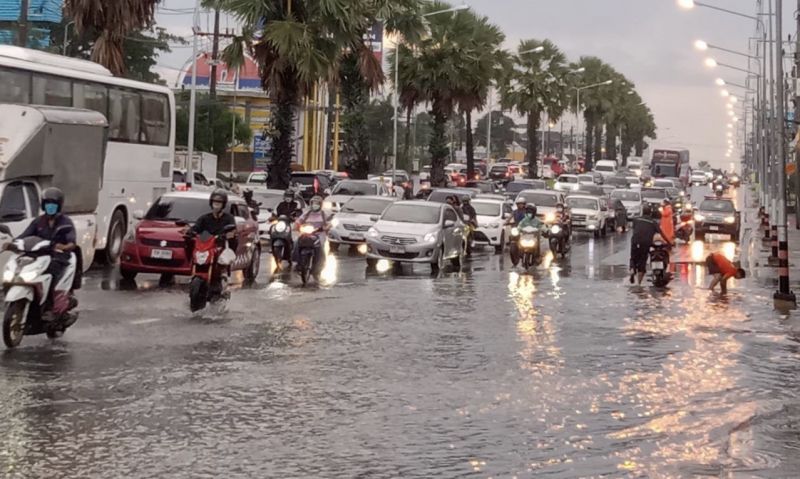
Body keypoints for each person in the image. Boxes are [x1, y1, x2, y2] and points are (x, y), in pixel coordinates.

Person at [7, 187, 77, 318]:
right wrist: (12, 243)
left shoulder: (65, 222)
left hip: (58, 256)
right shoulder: (38, 221)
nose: (50, 206)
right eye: (48, 203)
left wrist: (64, 246)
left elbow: (71, 241)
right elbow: (25, 235)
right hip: (40, 255)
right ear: (43, 205)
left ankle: (51, 306)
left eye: (53, 204)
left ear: (59, 205)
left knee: (51, 272)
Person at [629, 203, 668, 285]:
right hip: (645, 244)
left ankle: (632, 269)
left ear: (642, 212)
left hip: (635, 241)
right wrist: (669, 243)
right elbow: (662, 234)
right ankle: (638, 283)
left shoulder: (636, 220)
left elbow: (635, 229)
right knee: (642, 262)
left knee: (633, 258)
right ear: (650, 213)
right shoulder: (652, 222)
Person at [293, 195, 330, 273]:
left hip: (319, 234)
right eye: (313, 203)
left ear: (320, 205)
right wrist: (296, 226)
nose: (315, 205)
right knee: (297, 242)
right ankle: (298, 261)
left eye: (317, 203)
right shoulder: (307, 213)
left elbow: (329, 223)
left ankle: (319, 264)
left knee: (320, 247)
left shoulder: (324, 214)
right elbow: (299, 221)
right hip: (307, 233)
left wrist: (325, 228)